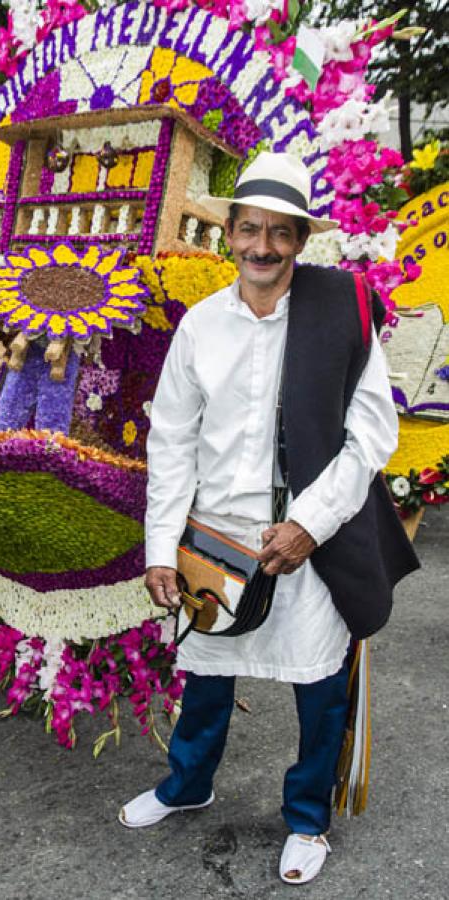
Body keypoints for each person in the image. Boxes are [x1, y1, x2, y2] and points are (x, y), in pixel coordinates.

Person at [118, 152, 419, 885]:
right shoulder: (198, 327)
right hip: (215, 535)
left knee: (316, 686)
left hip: (306, 537)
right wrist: (161, 548)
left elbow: (372, 434)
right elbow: (173, 442)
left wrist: (309, 524)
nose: (261, 247)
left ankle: (307, 818)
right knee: (207, 671)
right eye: (248, 230)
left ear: (299, 241)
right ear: (229, 235)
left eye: (278, 234)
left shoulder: (337, 314)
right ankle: (188, 783)